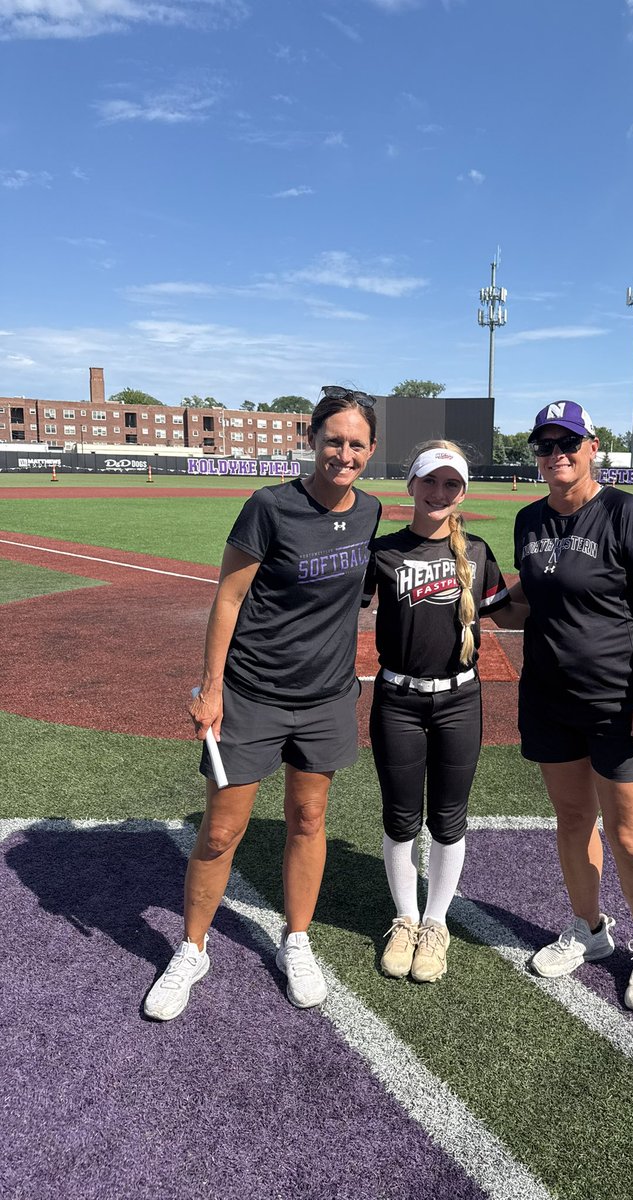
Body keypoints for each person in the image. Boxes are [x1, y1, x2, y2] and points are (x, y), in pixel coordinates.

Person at [143, 386, 381, 1021]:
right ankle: (192, 949)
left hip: (328, 696)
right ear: (312, 440)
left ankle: (296, 938)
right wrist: (211, 687)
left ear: (371, 450)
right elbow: (228, 597)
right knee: (221, 830)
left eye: (357, 443)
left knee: (308, 819)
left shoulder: (372, 510)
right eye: (334, 440)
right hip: (252, 693)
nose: (344, 453)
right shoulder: (269, 507)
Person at [514, 402, 633, 1012]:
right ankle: (589, 931)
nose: (557, 452)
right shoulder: (528, 520)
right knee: (572, 822)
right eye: (545, 443)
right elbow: (533, 597)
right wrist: (467, 604)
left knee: (631, 836)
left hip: (621, 703)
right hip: (551, 700)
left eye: (569, 441)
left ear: (593, 446)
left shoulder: (625, 513)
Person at [362, 441, 518, 983]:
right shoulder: (382, 552)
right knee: (401, 817)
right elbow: (334, 608)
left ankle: (435, 924)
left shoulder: (475, 551)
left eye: (451, 484)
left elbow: (508, 611)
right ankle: (404, 919)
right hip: (398, 701)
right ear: (411, 485)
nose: (439, 493)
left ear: (463, 491)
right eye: (430, 481)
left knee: (448, 819)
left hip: (459, 700)